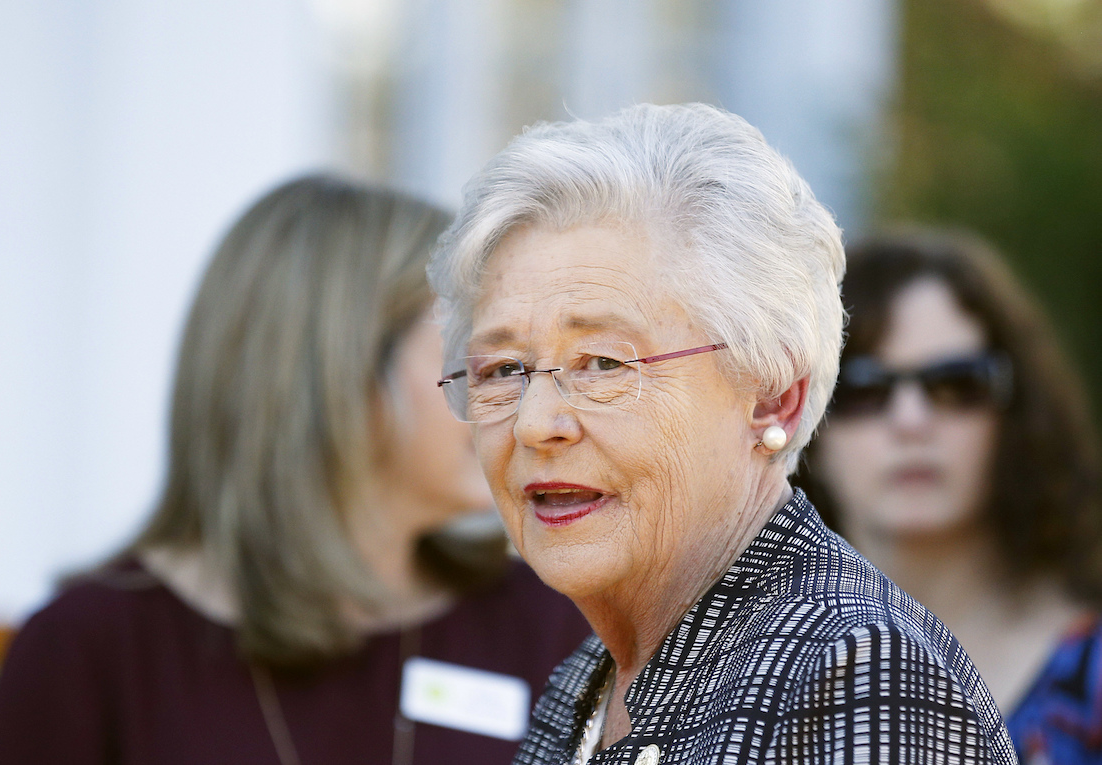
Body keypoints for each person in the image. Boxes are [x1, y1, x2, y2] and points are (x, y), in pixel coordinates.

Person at [426, 103, 1018, 765]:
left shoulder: (857, 673)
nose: (535, 423)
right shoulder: (580, 685)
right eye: (503, 369)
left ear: (771, 398)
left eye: (603, 363)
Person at [0, 175, 590, 765]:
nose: (527, 409)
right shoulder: (87, 651)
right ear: (337, 378)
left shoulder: (555, 626)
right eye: (485, 364)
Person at [794, 227, 1102, 765]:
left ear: (1018, 413)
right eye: (863, 388)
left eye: (957, 384)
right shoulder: (728, 672)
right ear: (804, 418)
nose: (911, 421)